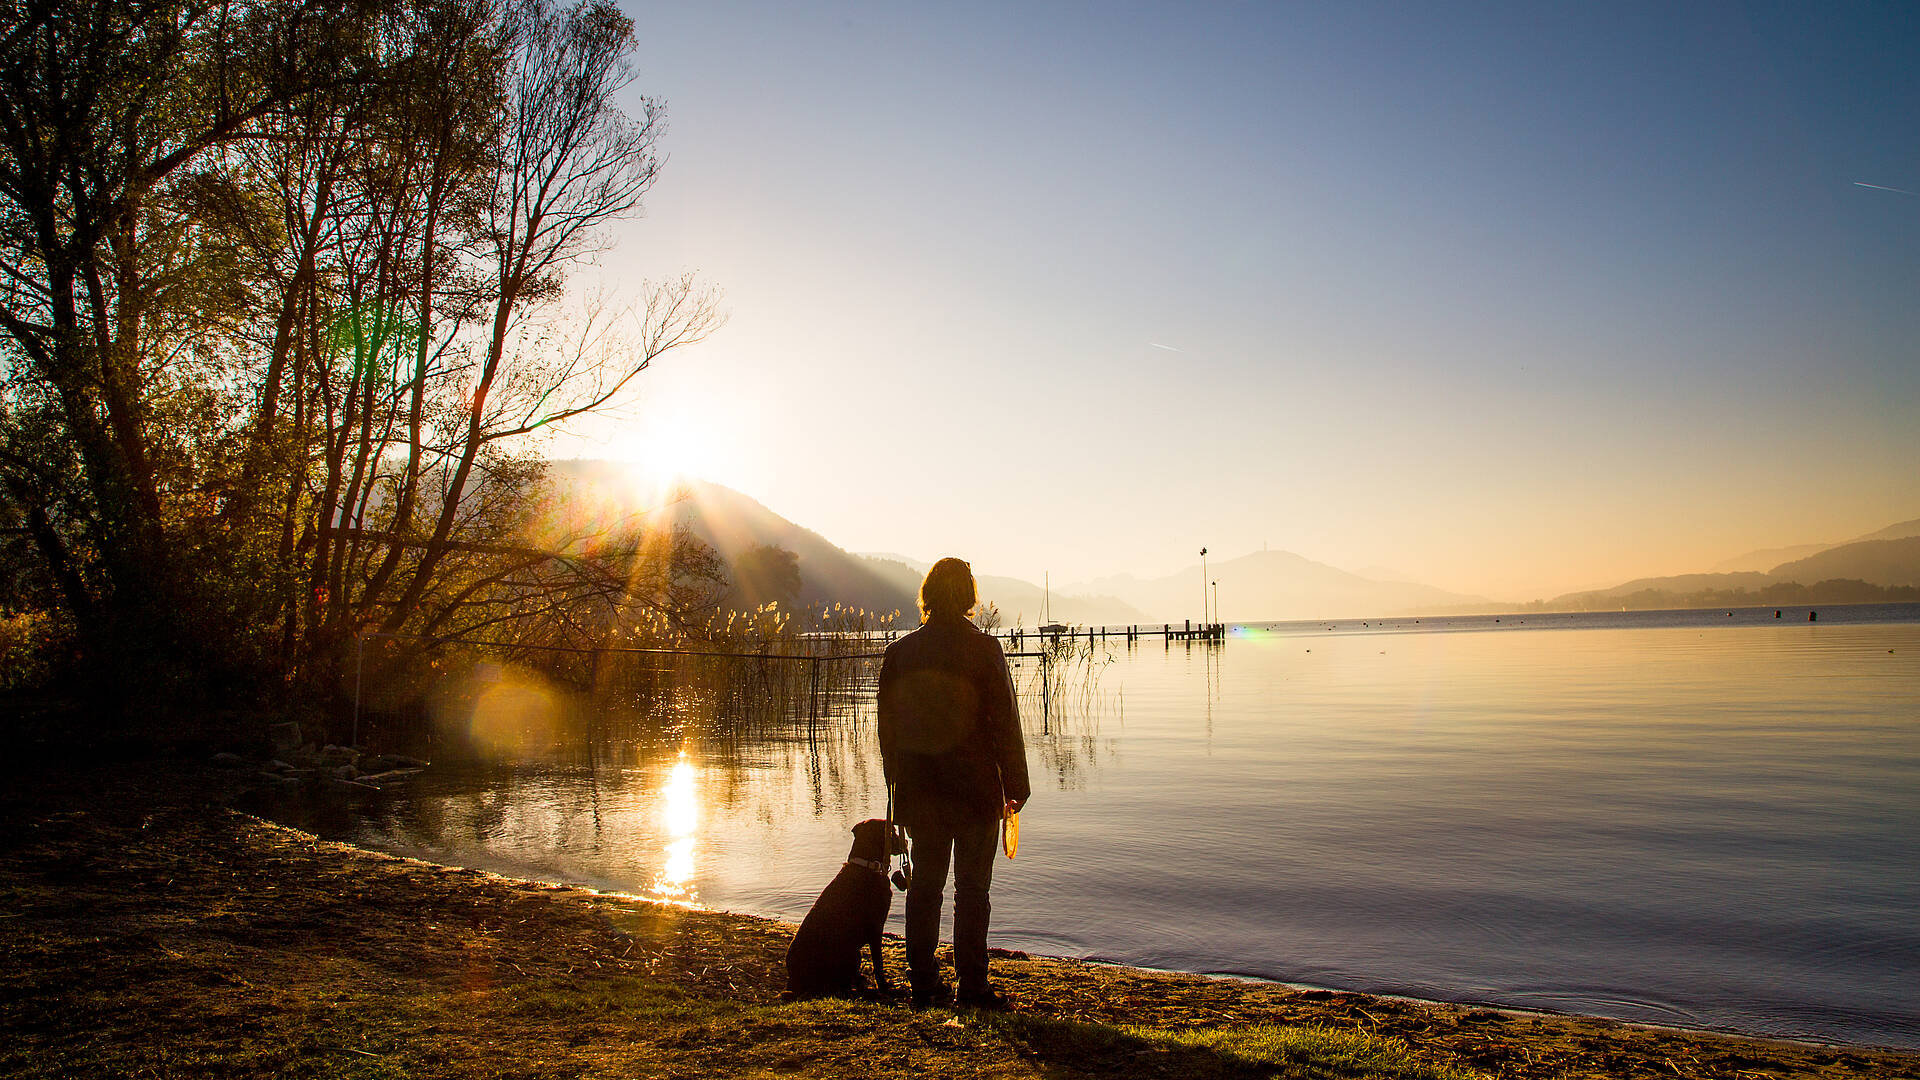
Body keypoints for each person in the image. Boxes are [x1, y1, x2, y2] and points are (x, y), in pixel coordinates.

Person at [877, 557, 1030, 1009]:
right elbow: (1005, 722)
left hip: (922, 789)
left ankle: (922, 979)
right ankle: (973, 985)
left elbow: (888, 731)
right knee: (972, 891)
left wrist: (894, 787)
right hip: (976, 788)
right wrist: (1015, 785)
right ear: (967, 595)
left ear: (926, 594)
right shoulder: (984, 650)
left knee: (925, 888)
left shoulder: (901, 652)